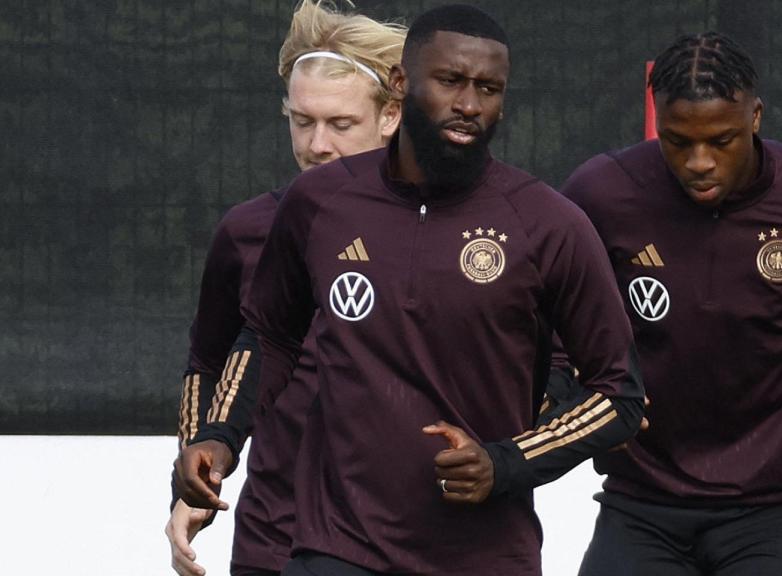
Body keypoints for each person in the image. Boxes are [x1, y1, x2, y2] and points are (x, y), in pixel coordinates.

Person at [173, 5, 646, 576]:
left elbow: (615, 391)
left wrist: (506, 461)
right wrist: (217, 441)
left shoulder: (547, 223)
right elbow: (263, 336)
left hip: (482, 555)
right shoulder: (316, 207)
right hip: (328, 543)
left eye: (488, 89)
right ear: (403, 85)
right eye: (450, 82)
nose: (469, 104)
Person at [562, 31, 782, 576]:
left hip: (779, 504)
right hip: (642, 500)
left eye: (722, 140)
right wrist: (565, 385)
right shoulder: (603, 192)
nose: (699, 161)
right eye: (679, 141)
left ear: (756, 117)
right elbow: (554, 297)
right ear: (658, 118)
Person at [166, 2, 404, 575]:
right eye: (302, 121)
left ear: (391, 116)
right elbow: (208, 361)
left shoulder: (444, 228)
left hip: (413, 546)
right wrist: (193, 481)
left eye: (340, 124)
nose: (317, 144)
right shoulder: (248, 230)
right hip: (277, 540)